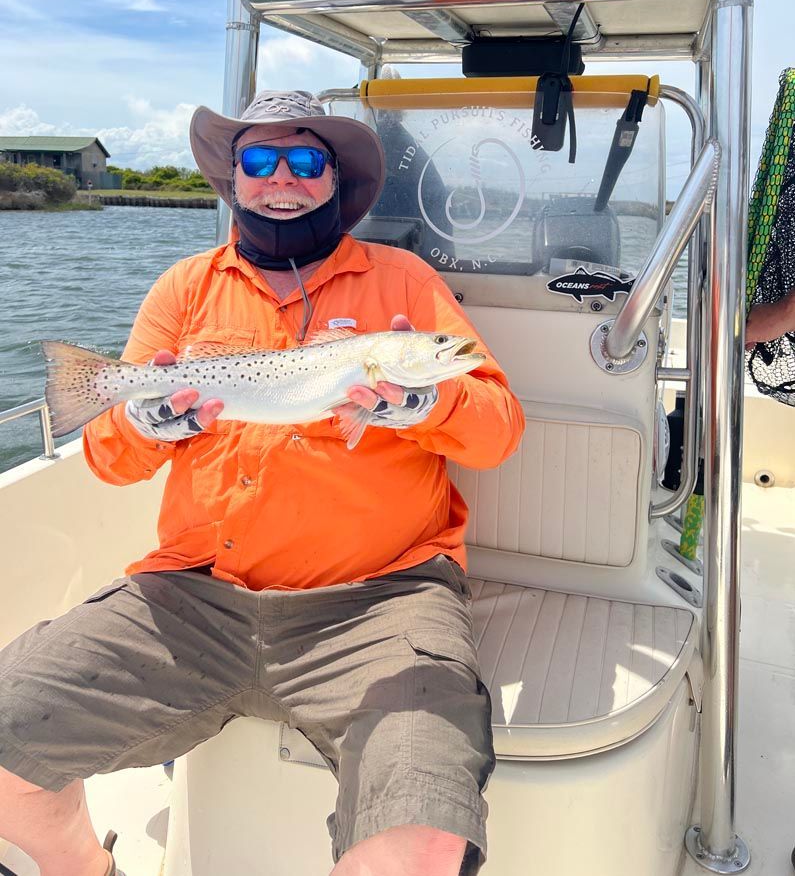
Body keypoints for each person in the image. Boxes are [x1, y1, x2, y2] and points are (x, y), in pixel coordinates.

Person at [0, 91, 525, 876]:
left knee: (419, 840)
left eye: (306, 160)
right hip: (192, 596)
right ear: (233, 179)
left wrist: (425, 397)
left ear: (335, 179)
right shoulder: (184, 288)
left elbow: (497, 430)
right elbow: (112, 462)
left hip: (379, 603)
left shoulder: (404, 283)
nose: (283, 177)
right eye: (259, 159)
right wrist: (149, 420)